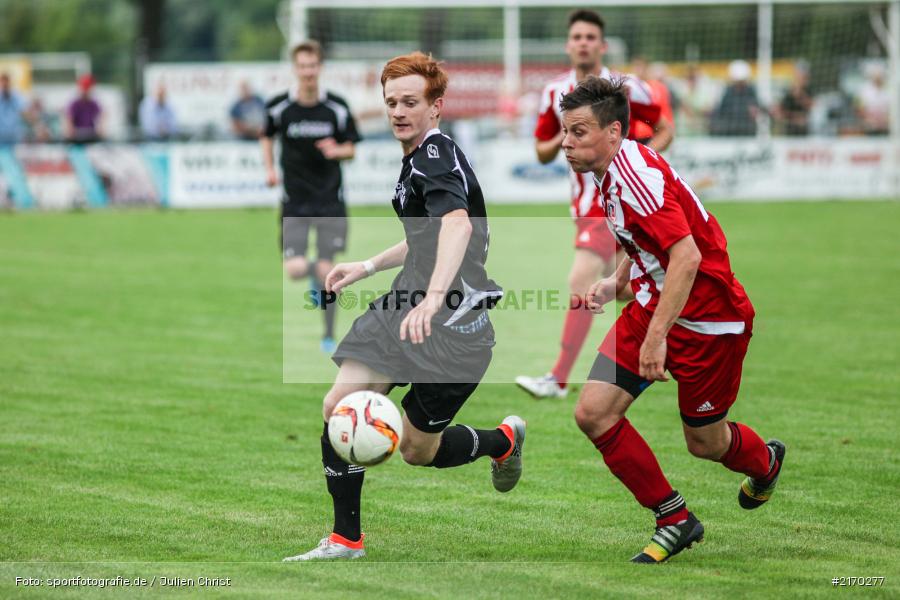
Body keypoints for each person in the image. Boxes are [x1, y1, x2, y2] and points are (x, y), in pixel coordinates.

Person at [282, 52, 525, 562]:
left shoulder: (434, 155)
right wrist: (368, 266)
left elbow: (456, 225)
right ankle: (346, 539)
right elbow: (424, 237)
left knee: (418, 450)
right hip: (403, 306)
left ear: (436, 107)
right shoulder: (416, 157)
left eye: (410, 102)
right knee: (339, 406)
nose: (398, 111)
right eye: (391, 101)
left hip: (455, 328)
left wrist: (433, 300)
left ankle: (501, 442)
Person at [559, 76, 784, 563]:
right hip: (654, 306)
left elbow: (686, 257)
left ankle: (765, 461)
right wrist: (617, 282)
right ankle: (674, 519)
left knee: (705, 442)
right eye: (565, 131)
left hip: (708, 322)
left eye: (578, 132)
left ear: (613, 131)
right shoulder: (611, 169)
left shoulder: (634, 176)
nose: (566, 143)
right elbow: (642, 237)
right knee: (593, 413)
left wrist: (656, 337)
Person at [516, 9, 673, 399]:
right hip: (585, 203)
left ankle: (558, 379)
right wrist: (569, 132)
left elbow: (665, 127)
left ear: (602, 46)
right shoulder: (555, 93)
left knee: (581, 282)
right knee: (626, 286)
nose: (583, 43)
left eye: (590, 37)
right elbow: (540, 152)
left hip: (616, 201)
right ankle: (681, 311)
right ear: (568, 45)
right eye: (577, 37)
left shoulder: (627, 88)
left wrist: (640, 160)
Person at [262, 41, 361, 353]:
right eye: (303, 66)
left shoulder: (337, 107)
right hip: (295, 201)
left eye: (313, 66)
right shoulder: (279, 107)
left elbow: (351, 149)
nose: (308, 72)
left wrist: (337, 151)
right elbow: (266, 136)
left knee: (326, 273)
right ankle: (314, 275)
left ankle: (328, 335)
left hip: (329, 200)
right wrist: (269, 169)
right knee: (295, 270)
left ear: (320, 67)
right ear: (295, 68)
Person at [710, 60, 760, 137]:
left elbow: (757, 109)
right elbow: (719, 111)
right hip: (728, 130)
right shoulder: (728, 91)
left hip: (747, 130)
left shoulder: (751, 91)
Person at [65, 74, 103, 143]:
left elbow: (102, 116)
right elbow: (69, 120)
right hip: (77, 134)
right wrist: (70, 131)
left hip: (90, 133)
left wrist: (101, 128)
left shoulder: (93, 103)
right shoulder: (75, 104)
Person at [778, 65, 812, 136]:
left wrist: (800, 96)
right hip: (791, 127)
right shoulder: (788, 93)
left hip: (805, 127)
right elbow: (781, 111)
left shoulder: (808, 91)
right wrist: (795, 118)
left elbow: (811, 106)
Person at [857, 63, 889, 135]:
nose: (878, 78)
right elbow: (859, 109)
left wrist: (885, 119)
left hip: (886, 126)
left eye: (880, 75)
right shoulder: (864, 90)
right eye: (875, 75)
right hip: (869, 126)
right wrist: (870, 118)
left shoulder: (889, 90)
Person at [0, 73, 26, 145]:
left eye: (6, 82)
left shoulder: (16, 95)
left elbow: (23, 111)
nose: (5, 84)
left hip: (14, 133)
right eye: (3, 82)